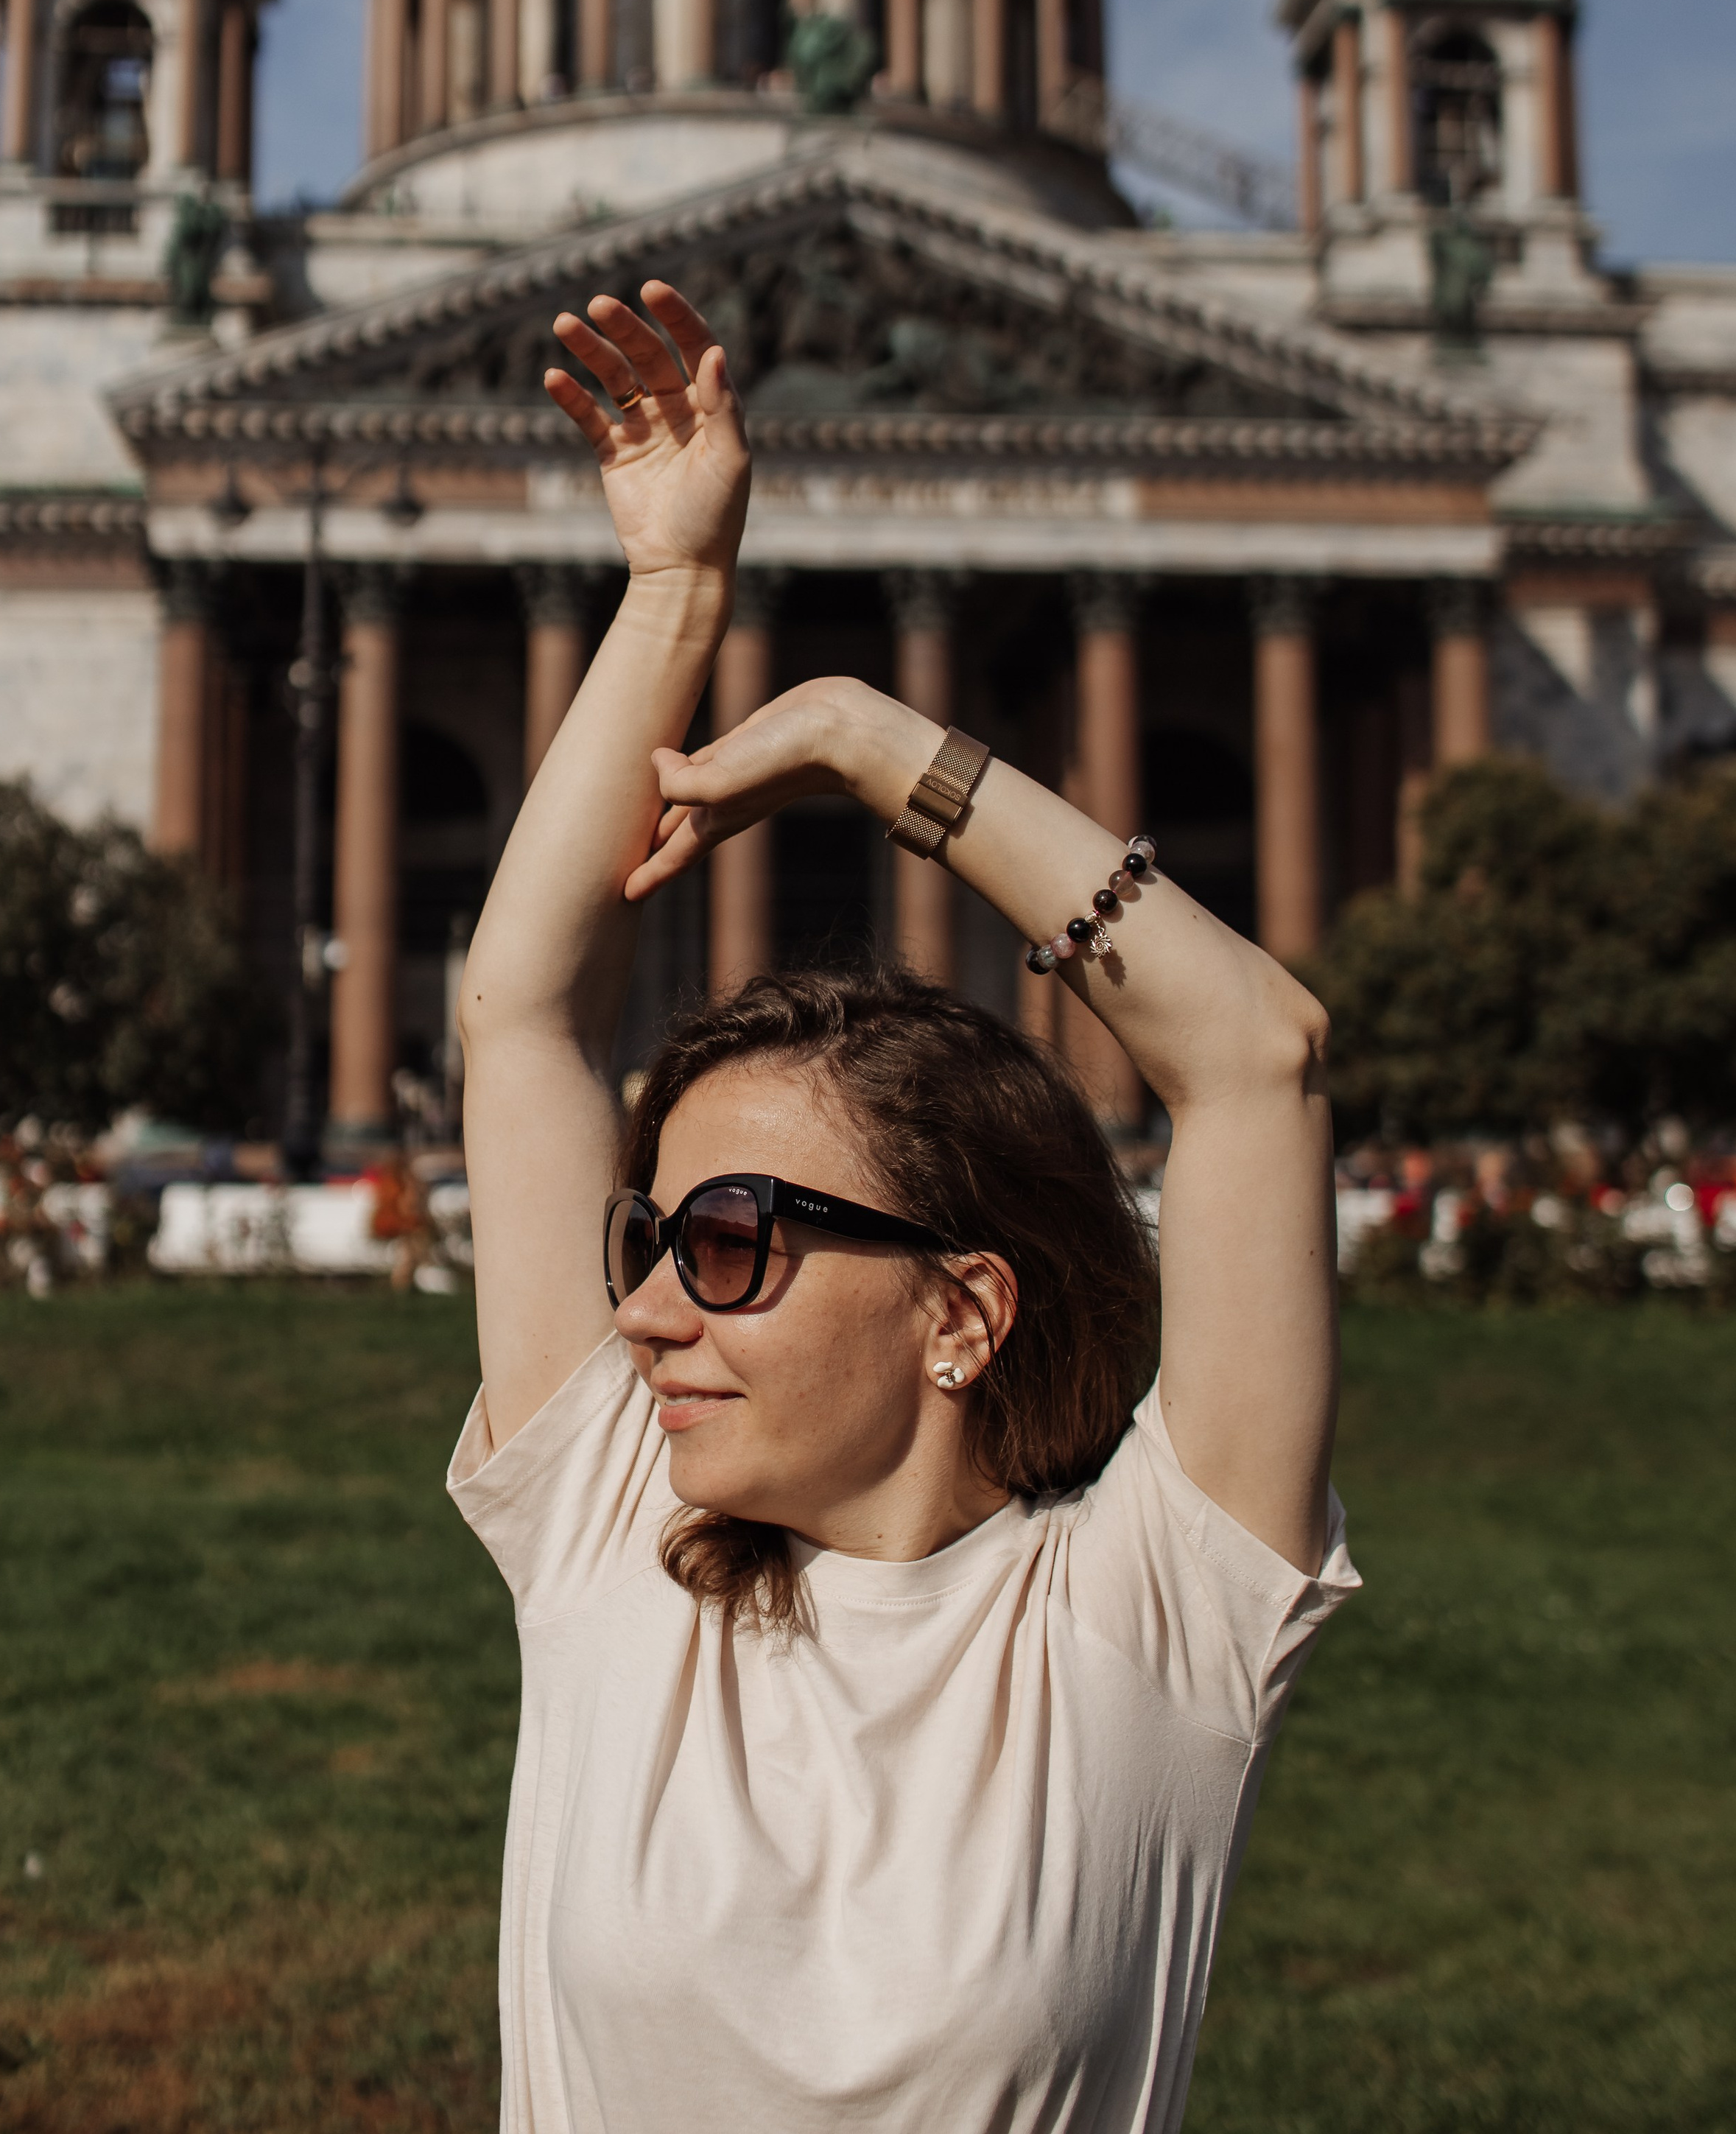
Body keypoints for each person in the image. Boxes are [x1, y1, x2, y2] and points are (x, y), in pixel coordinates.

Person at [451, 278, 1357, 2134]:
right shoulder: (614, 1541)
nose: (639, 1312)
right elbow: (522, 1010)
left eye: (725, 1246)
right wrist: (672, 596)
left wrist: (882, 749)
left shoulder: (1147, 1632)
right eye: (650, 1237)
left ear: (962, 1309)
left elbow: (1253, 1055)